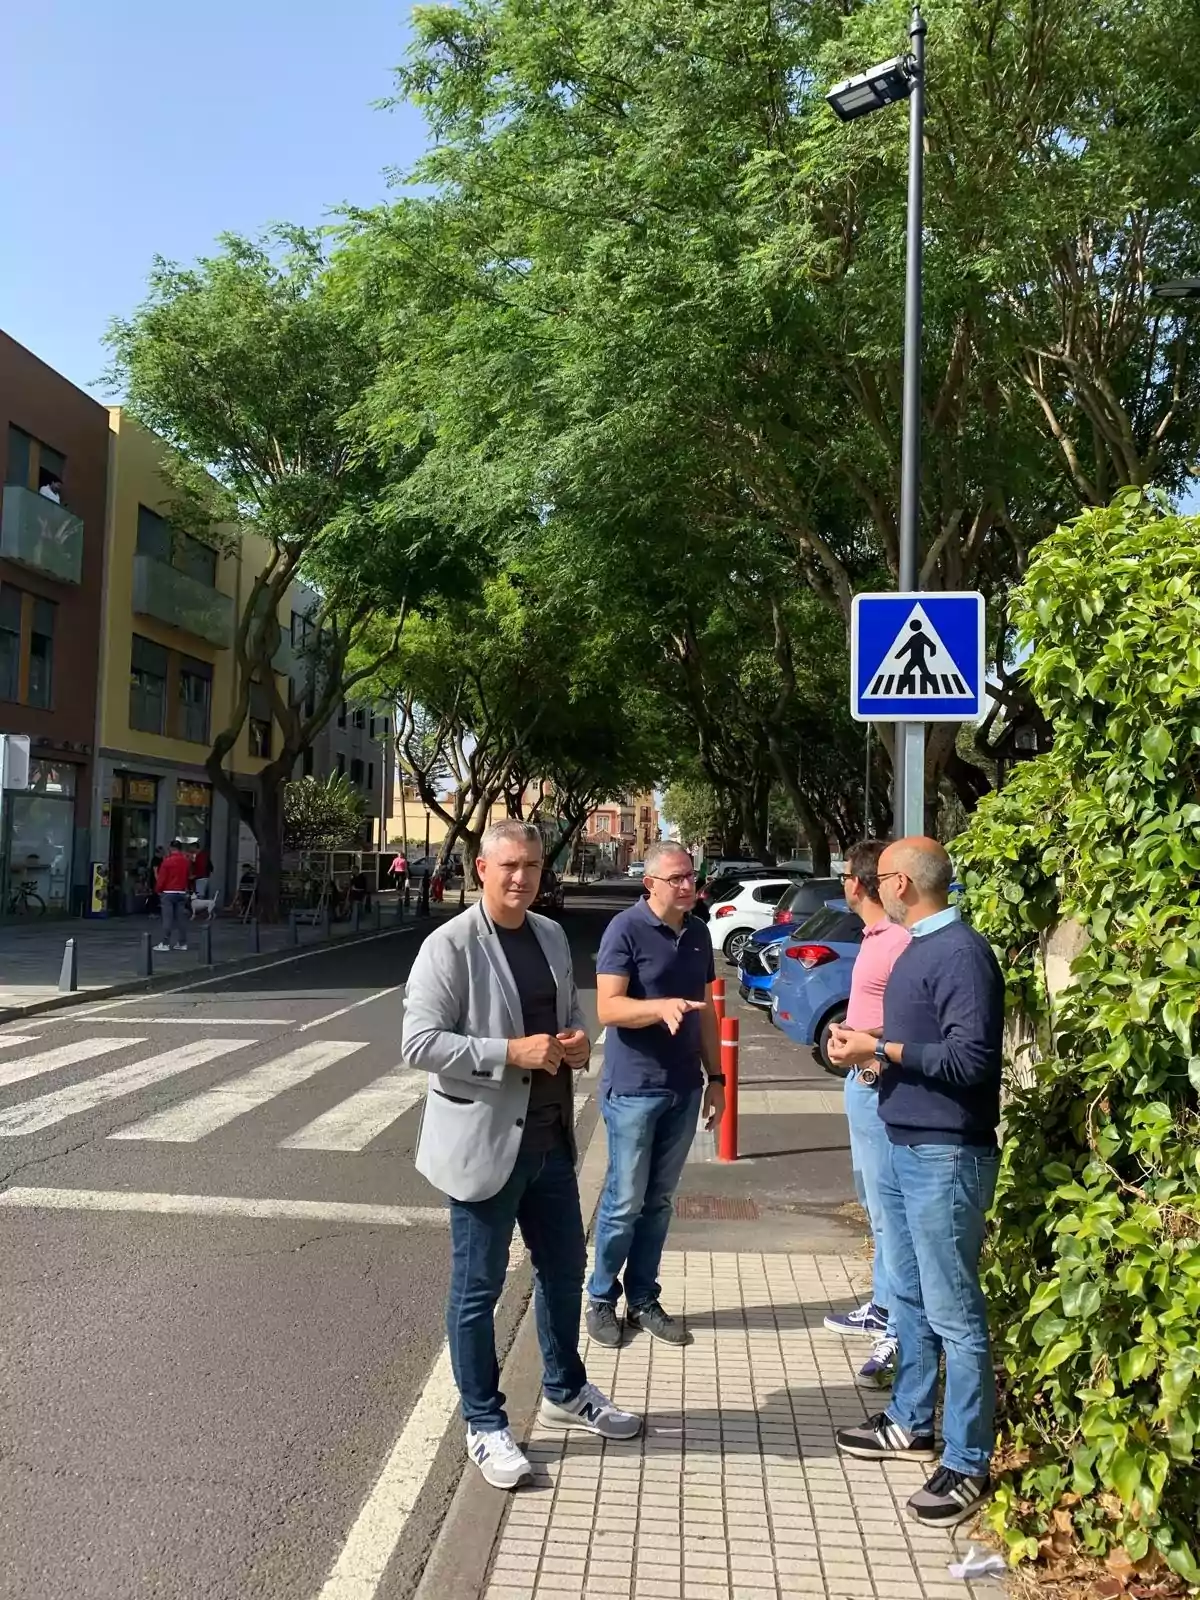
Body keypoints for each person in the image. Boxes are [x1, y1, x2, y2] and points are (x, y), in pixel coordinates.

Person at [402, 819, 641, 1491]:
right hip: (484, 1143)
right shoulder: (450, 945)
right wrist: (509, 1052)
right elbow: (419, 1043)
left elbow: (570, 1017)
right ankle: (484, 1422)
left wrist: (578, 1044)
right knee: (477, 1288)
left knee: (564, 1272)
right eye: (509, 865)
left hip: (550, 1139)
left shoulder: (551, 934)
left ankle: (565, 1390)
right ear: (482, 869)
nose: (521, 877)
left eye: (532, 866)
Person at [828, 837, 1004, 1530]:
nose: (872, 886)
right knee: (910, 1295)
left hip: (947, 1156)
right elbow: (920, 1049)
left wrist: (880, 1047)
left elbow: (971, 1061)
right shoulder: (915, 947)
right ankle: (909, 1419)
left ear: (900, 883)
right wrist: (870, 1057)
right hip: (907, 1143)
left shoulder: (960, 953)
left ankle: (967, 1460)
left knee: (954, 1312)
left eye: (878, 877)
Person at [585, 842, 725, 1348]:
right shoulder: (624, 929)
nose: (688, 886)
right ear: (650, 884)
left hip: (684, 1088)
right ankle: (601, 1297)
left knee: (659, 1201)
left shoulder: (699, 932)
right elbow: (608, 1008)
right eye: (676, 879)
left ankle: (642, 1298)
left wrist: (718, 1079)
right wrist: (658, 1007)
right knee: (625, 1200)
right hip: (634, 1090)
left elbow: (705, 1012)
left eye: (691, 876)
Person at [822, 840, 911, 1387]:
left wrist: (866, 1042)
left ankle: (899, 1329)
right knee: (873, 1202)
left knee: (889, 1210)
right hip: (862, 1080)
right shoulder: (875, 936)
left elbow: (913, 1019)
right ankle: (882, 1306)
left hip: (879, 1083)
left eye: (844, 876)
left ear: (857, 883)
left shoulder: (898, 939)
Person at [154, 839, 191, 952]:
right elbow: (188, 876)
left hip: (168, 892)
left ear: (170, 848)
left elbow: (162, 878)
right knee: (181, 919)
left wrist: (158, 890)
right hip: (181, 892)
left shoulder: (167, 861)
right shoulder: (186, 861)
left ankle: (165, 943)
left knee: (167, 919)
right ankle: (182, 943)